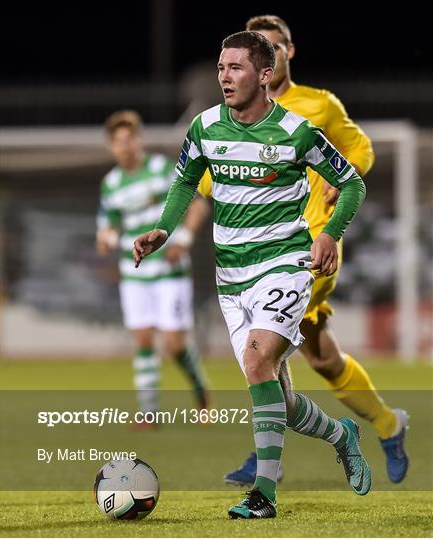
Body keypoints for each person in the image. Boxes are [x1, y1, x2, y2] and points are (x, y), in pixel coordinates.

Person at [134, 31, 370, 519]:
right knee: (276, 399)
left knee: (258, 361)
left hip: (284, 265)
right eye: (221, 67)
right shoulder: (204, 128)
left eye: (236, 67)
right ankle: (340, 434)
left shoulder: (297, 132)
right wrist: (163, 228)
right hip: (232, 277)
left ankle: (263, 495)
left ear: (265, 75)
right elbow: (183, 181)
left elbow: (351, 183)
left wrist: (329, 234)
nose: (224, 76)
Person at [209, 15, 408, 487]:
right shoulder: (234, 119)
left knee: (263, 355)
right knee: (321, 358)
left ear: (287, 53)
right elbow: (210, 174)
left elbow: (360, 149)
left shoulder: (317, 107)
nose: (266, 57)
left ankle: (264, 464)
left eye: (273, 48)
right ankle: (386, 424)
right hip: (258, 252)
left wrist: (342, 185)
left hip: (310, 250)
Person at [96, 110, 209, 424]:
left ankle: (201, 391)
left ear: (138, 139)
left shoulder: (160, 168)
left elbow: (197, 202)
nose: (125, 146)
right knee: (143, 339)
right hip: (134, 272)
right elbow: (107, 229)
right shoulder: (111, 185)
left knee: (174, 345)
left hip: (169, 269)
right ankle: (148, 413)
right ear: (111, 147)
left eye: (130, 138)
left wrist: (183, 239)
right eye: (118, 141)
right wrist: (105, 239)